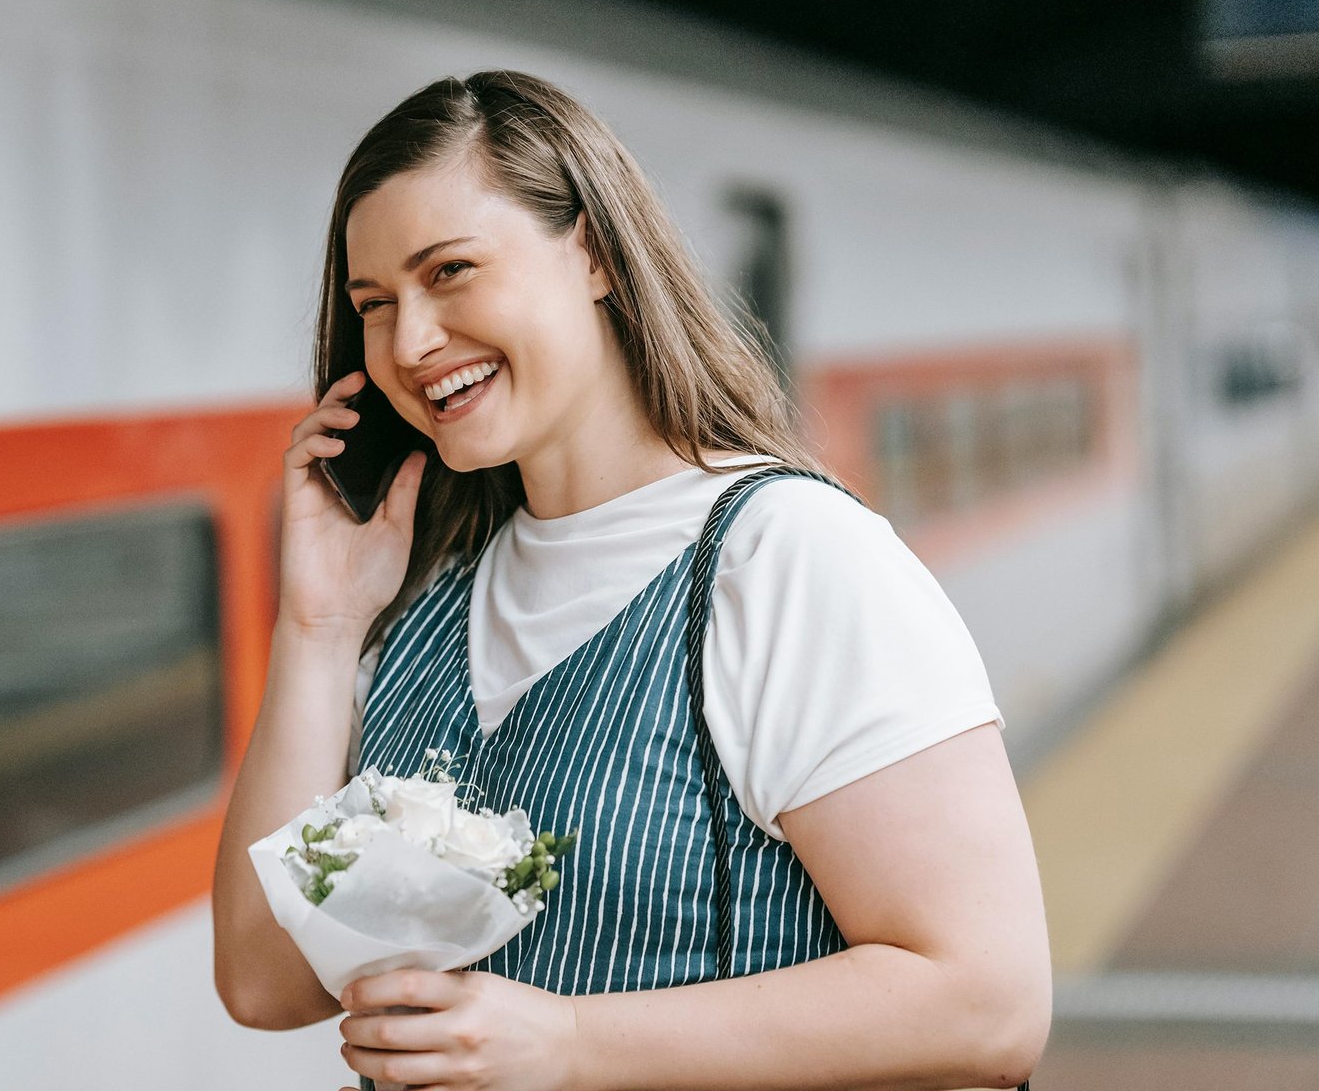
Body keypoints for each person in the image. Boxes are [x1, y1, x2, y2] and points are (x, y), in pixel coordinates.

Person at [211, 70, 1049, 1090]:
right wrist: (319, 625)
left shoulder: (782, 558)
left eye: (452, 271)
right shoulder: (422, 602)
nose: (412, 343)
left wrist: (568, 1043)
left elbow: (987, 1000)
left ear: (596, 254)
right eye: (375, 305)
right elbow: (267, 979)